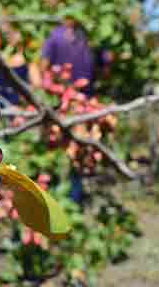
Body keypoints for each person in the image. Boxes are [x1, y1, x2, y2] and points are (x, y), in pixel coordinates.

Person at [40, 11, 113, 202]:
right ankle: (71, 199)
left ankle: (59, 198)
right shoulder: (92, 36)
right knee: (78, 152)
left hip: (65, 103)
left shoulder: (55, 35)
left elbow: (44, 67)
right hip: (80, 103)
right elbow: (106, 69)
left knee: (61, 150)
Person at [40, 11, 112, 95]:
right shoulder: (89, 35)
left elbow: (44, 64)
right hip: (65, 90)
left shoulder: (55, 35)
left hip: (74, 90)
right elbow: (105, 70)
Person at [0, 24, 40, 106]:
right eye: (7, 34)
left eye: (12, 33)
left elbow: (37, 84)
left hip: (12, 107)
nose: (10, 37)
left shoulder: (27, 59)